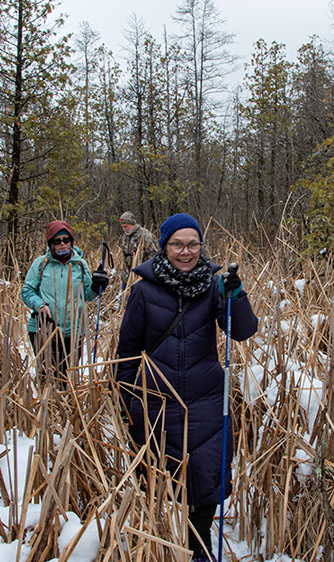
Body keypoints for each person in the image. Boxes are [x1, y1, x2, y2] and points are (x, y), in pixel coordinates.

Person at [115, 213, 257, 562]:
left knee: (206, 473)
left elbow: (242, 331)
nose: (186, 251)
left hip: (206, 397)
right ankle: (162, 540)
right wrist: (126, 401)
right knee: (160, 476)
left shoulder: (213, 285)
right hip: (157, 399)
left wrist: (236, 296)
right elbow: (127, 353)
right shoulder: (143, 291)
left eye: (193, 243)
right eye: (177, 243)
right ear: (164, 246)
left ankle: (201, 543)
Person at [21, 220, 109, 385]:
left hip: (73, 332)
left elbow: (87, 296)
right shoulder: (41, 264)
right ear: (50, 244)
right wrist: (40, 305)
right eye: (57, 241)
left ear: (71, 241)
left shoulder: (79, 265)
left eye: (66, 240)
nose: (62, 244)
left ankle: (67, 409)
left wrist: (98, 286)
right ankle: (48, 409)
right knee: (48, 377)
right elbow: (26, 291)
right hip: (44, 329)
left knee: (68, 379)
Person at [118, 211, 158, 287]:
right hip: (126, 280)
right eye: (122, 227)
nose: (123, 229)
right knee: (124, 298)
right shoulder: (125, 236)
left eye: (125, 226)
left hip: (141, 279)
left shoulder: (145, 235)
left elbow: (153, 257)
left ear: (132, 224)